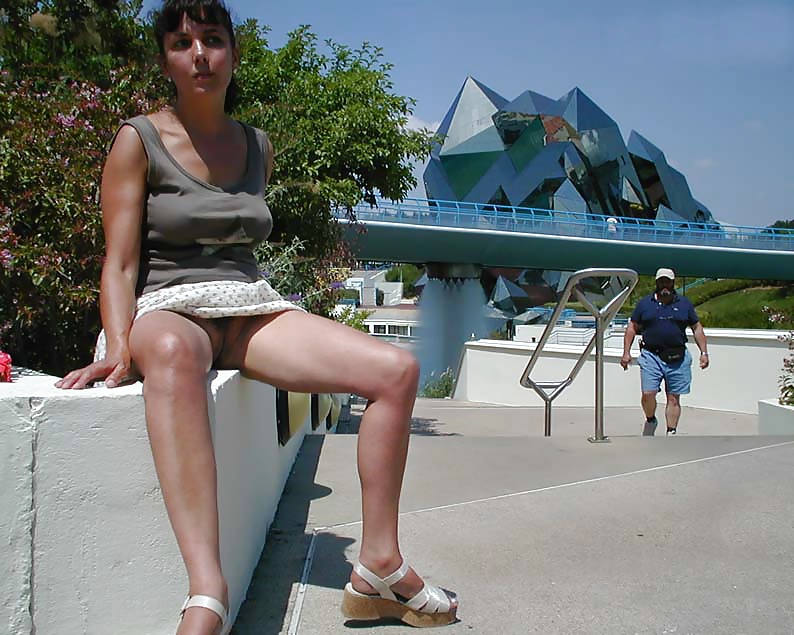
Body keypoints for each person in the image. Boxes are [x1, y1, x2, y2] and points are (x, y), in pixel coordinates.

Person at [54, 2, 457, 632]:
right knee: (170, 351)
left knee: (396, 371)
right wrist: (117, 344)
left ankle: (377, 563)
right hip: (168, 306)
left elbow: (244, 255)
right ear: (166, 58)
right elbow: (120, 262)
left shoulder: (256, 147)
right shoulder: (139, 139)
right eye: (183, 42)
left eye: (212, 40)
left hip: (246, 305)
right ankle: (206, 592)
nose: (199, 54)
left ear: (232, 54)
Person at [620, 268, 709, 436]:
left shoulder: (684, 304)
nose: (664, 285)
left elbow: (697, 328)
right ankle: (651, 418)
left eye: (667, 281)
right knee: (648, 393)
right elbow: (632, 327)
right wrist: (626, 352)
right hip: (651, 355)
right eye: (661, 282)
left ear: (673, 283)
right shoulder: (645, 304)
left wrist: (704, 353)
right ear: (656, 283)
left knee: (673, 397)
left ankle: (671, 431)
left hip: (677, 356)